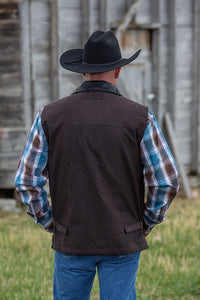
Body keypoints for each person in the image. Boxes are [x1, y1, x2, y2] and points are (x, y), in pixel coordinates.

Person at [15, 30, 179, 300]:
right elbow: (166, 181)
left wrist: (50, 221)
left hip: (71, 237)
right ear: (117, 70)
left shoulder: (49, 116)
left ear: (83, 71)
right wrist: (146, 222)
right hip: (123, 237)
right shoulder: (140, 118)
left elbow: (26, 181)